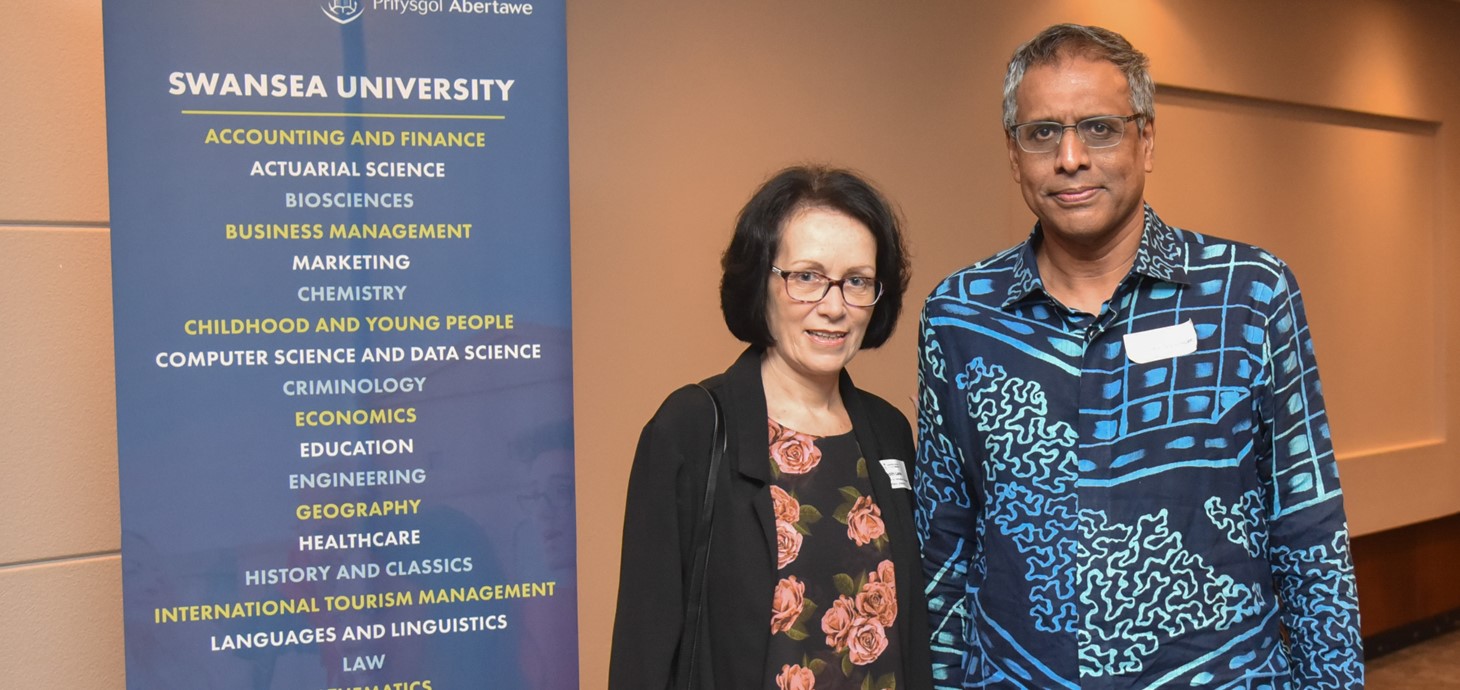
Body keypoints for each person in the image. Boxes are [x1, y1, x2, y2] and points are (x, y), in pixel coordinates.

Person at [914, 24, 1362, 690]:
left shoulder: (1249, 294)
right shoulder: (959, 315)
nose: (1070, 157)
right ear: (1014, 156)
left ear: (1145, 139)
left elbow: (1308, 523)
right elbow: (942, 543)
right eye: (1042, 133)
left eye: (1099, 128)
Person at [610, 165, 934, 689]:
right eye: (806, 277)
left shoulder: (888, 431)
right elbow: (643, 648)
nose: (833, 307)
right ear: (760, 281)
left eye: (857, 281)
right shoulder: (691, 428)